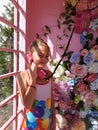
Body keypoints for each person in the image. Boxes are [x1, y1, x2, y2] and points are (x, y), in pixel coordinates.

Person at [16, 39, 55, 130]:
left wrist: (54, 121)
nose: (44, 59)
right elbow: (27, 104)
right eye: (40, 56)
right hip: (31, 126)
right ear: (30, 56)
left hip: (47, 124)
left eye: (46, 56)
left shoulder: (49, 75)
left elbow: (51, 100)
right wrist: (32, 79)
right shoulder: (22, 76)